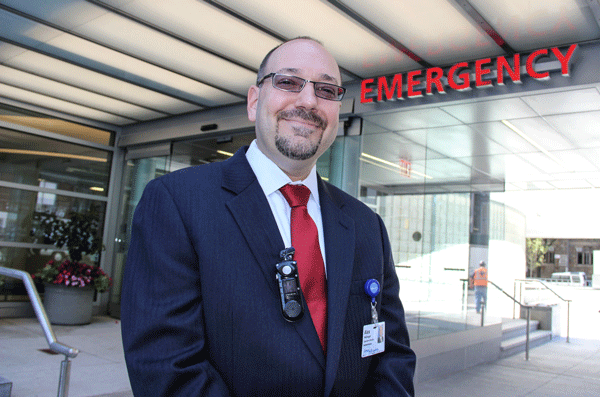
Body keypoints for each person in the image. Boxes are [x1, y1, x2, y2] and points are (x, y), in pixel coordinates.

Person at [121, 37, 416, 397]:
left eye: (325, 90)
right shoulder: (177, 203)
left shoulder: (366, 225)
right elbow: (167, 369)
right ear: (254, 101)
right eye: (288, 82)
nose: (308, 101)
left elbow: (392, 356)